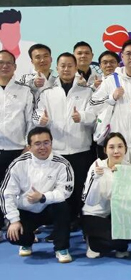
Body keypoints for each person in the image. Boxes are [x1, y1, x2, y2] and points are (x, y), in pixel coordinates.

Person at [34, 52, 97, 228]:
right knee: (59, 190)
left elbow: (95, 115)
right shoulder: (47, 93)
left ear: (76, 68)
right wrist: (41, 120)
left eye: (70, 65)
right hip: (57, 150)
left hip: (81, 149)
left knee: (80, 188)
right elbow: (36, 113)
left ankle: (81, 222)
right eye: (63, 66)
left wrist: (82, 116)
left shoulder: (87, 91)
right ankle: (61, 224)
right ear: (57, 68)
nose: (66, 69)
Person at [2, 127, 75, 263]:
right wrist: (14, 220)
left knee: (62, 206)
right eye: (37, 144)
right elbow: (7, 193)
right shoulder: (18, 164)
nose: (42, 147)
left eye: (46, 143)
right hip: (26, 210)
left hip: (49, 208)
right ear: (29, 147)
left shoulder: (62, 164)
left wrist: (43, 197)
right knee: (13, 236)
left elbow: (65, 191)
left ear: (51, 143)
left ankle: (61, 248)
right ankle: (27, 242)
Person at [82, 133, 131, 259]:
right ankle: (92, 242)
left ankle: (114, 244)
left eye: (120, 146)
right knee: (112, 243)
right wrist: (96, 179)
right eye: (111, 147)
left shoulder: (129, 168)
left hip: (116, 214)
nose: (116, 151)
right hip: (94, 214)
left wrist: (120, 177)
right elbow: (90, 201)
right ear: (105, 150)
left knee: (121, 243)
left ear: (125, 149)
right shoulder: (97, 166)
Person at [0, 49, 34, 225]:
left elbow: (30, 120)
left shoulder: (24, 90)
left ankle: (17, 224)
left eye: (8, 63)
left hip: (17, 149)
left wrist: (28, 145)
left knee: (16, 188)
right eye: (1, 63)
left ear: (14, 67)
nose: (4, 66)